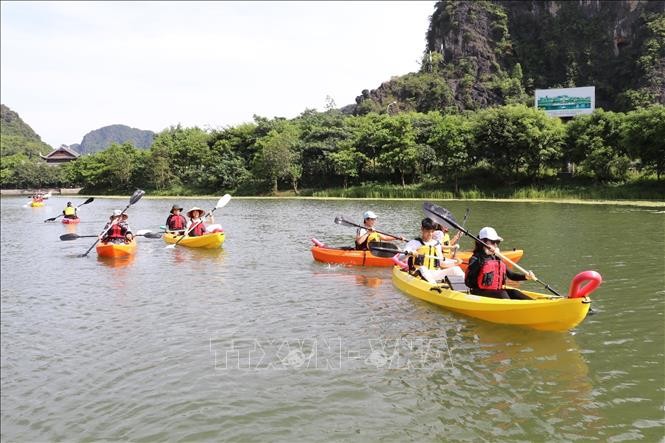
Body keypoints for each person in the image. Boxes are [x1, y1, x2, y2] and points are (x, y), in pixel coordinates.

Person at [464, 227, 536, 300]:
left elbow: (511, 275)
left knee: (515, 292)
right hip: (478, 292)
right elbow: (469, 281)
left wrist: (526, 277)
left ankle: (533, 304)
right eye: (493, 242)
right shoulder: (475, 258)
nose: (495, 245)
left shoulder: (496, 257)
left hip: (496, 292)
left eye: (497, 242)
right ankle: (511, 308)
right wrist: (484, 257)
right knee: (502, 294)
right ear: (483, 242)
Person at [401, 217, 465, 284]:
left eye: (432, 231)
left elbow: (441, 264)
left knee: (456, 269)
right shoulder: (414, 243)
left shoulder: (437, 245)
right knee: (423, 268)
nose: (430, 234)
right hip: (418, 274)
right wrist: (409, 253)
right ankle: (434, 287)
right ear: (422, 229)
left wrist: (455, 263)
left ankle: (466, 290)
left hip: (434, 274)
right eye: (428, 231)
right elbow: (400, 258)